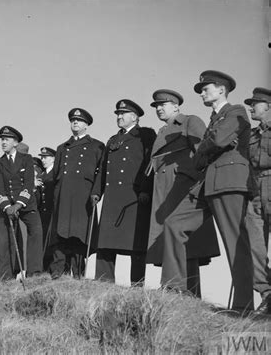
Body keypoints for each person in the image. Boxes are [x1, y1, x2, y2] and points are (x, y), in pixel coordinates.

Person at [161, 70, 255, 314]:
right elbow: (207, 149)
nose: (202, 92)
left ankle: (243, 306)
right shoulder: (215, 119)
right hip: (207, 183)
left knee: (235, 242)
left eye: (206, 88)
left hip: (228, 182)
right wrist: (210, 144)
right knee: (174, 223)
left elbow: (217, 141)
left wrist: (210, 144)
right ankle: (174, 290)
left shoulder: (235, 112)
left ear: (222, 89)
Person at [146, 89, 220, 297]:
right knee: (172, 241)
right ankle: (177, 291)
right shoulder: (162, 131)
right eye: (156, 106)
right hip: (165, 191)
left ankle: (184, 291)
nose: (159, 108)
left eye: (163, 104)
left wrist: (193, 182)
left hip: (184, 189)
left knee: (189, 242)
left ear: (176, 106)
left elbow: (203, 154)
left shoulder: (190, 121)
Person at [91, 99, 156, 286]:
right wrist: (97, 192)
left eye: (123, 114)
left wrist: (145, 189)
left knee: (136, 245)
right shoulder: (112, 140)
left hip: (134, 199)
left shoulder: (145, 135)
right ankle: (103, 284)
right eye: (117, 114)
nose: (119, 117)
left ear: (134, 117)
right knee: (105, 245)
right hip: (112, 200)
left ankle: (137, 287)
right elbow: (103, 168)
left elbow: (150, 164)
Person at [50, 108, 104, 279]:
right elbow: (55, 176)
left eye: (79, 121)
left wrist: (96, 193)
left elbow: (100, 173)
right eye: (73, 120)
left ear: (86, 125)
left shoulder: (96, 146)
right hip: (63, 197)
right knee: (60, 235)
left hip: (83, 197)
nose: (75, 123)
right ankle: (58, 274)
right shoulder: (62, 148)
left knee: (79, 235)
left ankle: (78, 274)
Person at [0, 126, 43, 280]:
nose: (3, 142)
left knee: (36, 231)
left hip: (26, 204)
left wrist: (18, 205)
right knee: (3, 240)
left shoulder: (26, 159)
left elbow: (28, 184)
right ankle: (5, 277)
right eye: (2, 139)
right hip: (7, 206)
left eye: (6, 139)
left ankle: (34, 273)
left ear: (15, 142)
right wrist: (7, 207)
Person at [243, 87, 271, 315]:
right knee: (255, 249)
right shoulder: (251, 135)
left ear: (268, 107)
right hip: (255, 193)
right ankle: (267, 296)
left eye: (255, 103)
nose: (251, 107)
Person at [0, 142, 29, 284]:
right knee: (1, 244)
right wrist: (2, 200)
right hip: (2, 208)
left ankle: (14, 277)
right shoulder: (0, 165)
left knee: (19, 244)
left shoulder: (28, 165)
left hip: (21, 210)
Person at [37, 147, 56, 270]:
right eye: (42, 157)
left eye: (46, 157)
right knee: (42, 242)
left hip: (53, 212)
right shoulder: (41, 174)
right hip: (41, 214)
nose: (43, 160)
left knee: (52, 243)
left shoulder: (56, 173)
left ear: (53, 158)